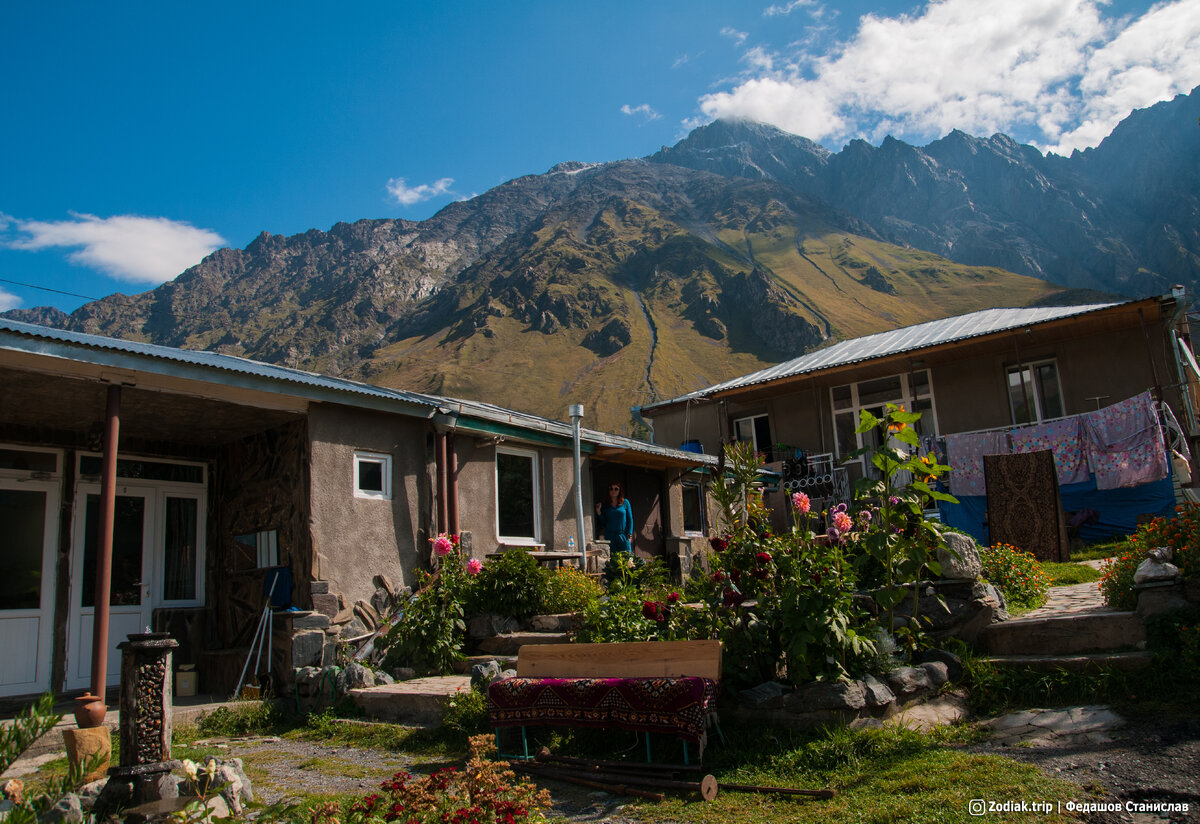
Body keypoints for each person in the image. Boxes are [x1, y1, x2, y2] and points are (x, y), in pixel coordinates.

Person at [596, 481, 634, 556]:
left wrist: (630, 537)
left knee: (627, 559)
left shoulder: (625, 502)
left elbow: (630, 520)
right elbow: (604, 522)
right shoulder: (605, 505)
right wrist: (599, 512)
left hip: (623, 536)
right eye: (611, 489)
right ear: (608, 491)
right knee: (613, 561)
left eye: (616, 489)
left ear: (620, 491)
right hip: (610, 537)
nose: (613, 491)